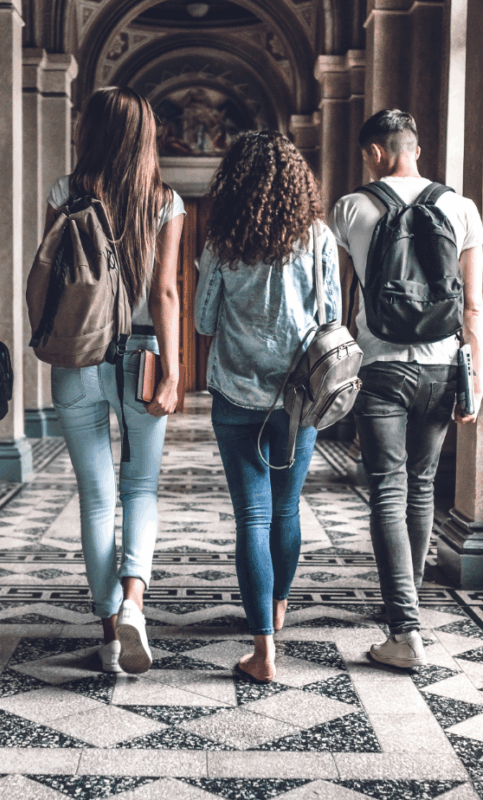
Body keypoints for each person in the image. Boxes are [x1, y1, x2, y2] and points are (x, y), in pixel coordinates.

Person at [330, 109, 483, 668]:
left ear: (374, 152)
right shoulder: (462, 208)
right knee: (421, 487)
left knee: (388, 492)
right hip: (443, 366)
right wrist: (474, 380)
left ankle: (404, 627)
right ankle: (407, 603)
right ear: (416, 149)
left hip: (381, 366)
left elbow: (339, 291)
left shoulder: (351, 208)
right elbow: (472, 306)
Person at [45, 87, 185, 675]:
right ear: (145, 136)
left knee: (97, 497)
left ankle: (109, 636)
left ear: (93, 131)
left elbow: (53, 275)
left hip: (77, 355)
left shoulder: (64, 193)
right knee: (141, 489)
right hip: (142, 356)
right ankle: (134, 603)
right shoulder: (165, 201)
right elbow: (166, 292)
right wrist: (174, 370)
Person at [195, 131, 341, 683]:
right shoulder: (318, 236)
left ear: (234, 182)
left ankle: (263, 650)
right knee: (286, 508)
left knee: (251, 517)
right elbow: (331, 317)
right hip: (300, 395)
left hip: (236, 393)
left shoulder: (222, 241)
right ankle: (278, 605)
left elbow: (203, 321)